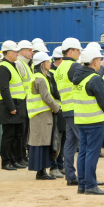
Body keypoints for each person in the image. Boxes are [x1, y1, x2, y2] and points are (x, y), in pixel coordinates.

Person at [66, 43, 104, 195]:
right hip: (94, 121)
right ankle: (90, 185)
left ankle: (82, 184)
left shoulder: (77, 78)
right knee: (92, 153)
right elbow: (103, 99)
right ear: (95, 62)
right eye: (99, 60)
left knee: (83, 153)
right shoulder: (94, 78)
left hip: (81, 120)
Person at [26, 51, 62, 180]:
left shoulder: (37, 77)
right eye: (47, 62)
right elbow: (46, 97)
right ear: (42, 64)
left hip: (38, 115)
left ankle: (41, 170)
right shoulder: (40, 79)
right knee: (42, 142)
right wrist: (57, 108)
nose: (50, 63)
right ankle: (41, 171)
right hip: (41, 115)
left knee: (40, 142)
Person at [0, 41, 28, 171]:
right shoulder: (3, 67)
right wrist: (11, 107)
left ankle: (14, 160)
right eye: (15, 52)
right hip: (10, 106)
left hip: (18, 104)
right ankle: (6, 161)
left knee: (17, 135)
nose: (17, 54)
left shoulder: (12, 65)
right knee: (8, 136)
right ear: (8, 53)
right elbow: (4, 89)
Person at [54, 38, 82, 186]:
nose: (80, 53)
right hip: (77, 108)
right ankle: (86, 177)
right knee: (84, 142)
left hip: (66, 108)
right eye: (78, 50)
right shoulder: (74, 66)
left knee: (70, 143)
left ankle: (70, 176)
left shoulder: (59, 68)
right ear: (71, 51)